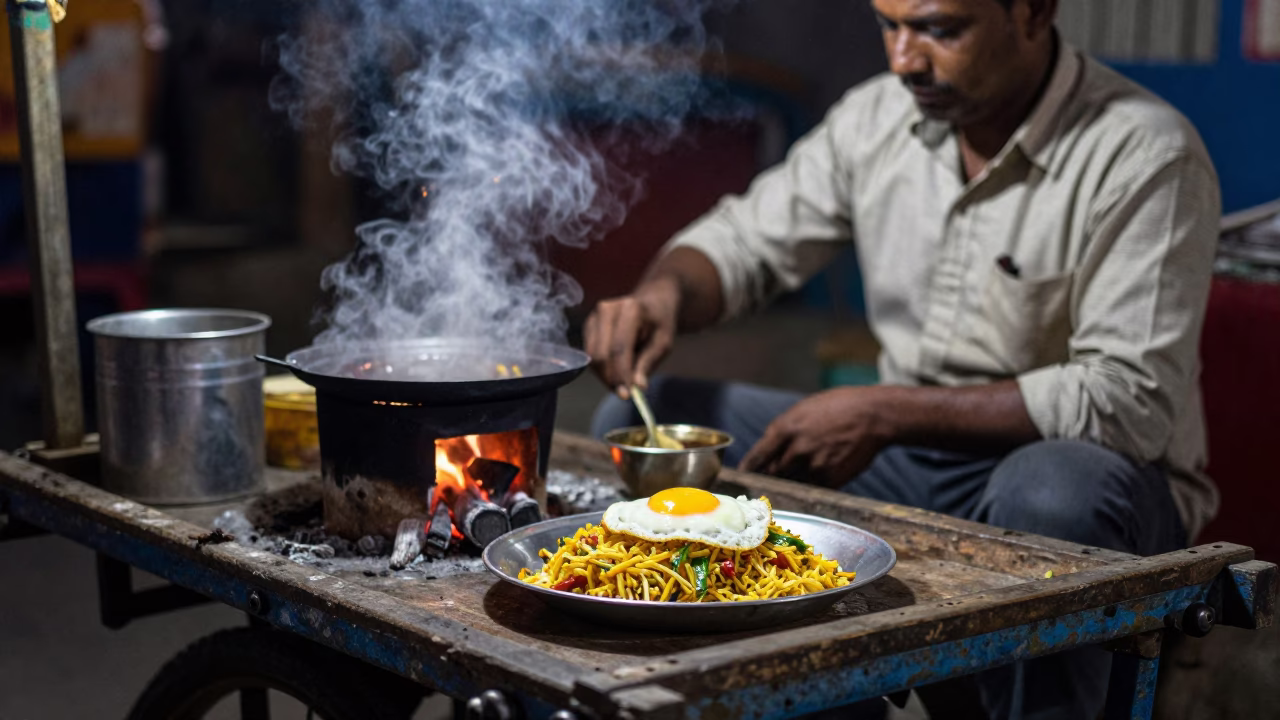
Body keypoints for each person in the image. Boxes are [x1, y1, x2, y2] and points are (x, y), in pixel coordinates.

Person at [584, 0, 1220, 718]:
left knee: (1050, 489)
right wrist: (664, 294)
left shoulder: (1143, 152)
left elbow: (1125, 401)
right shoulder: (877, 117)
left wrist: (884, 410)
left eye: (941, 30)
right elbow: (744, 243)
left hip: (1085, 472)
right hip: (912, 457)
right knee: (649, 419)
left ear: (1033, 13)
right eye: (889, 24)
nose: (903, 59)